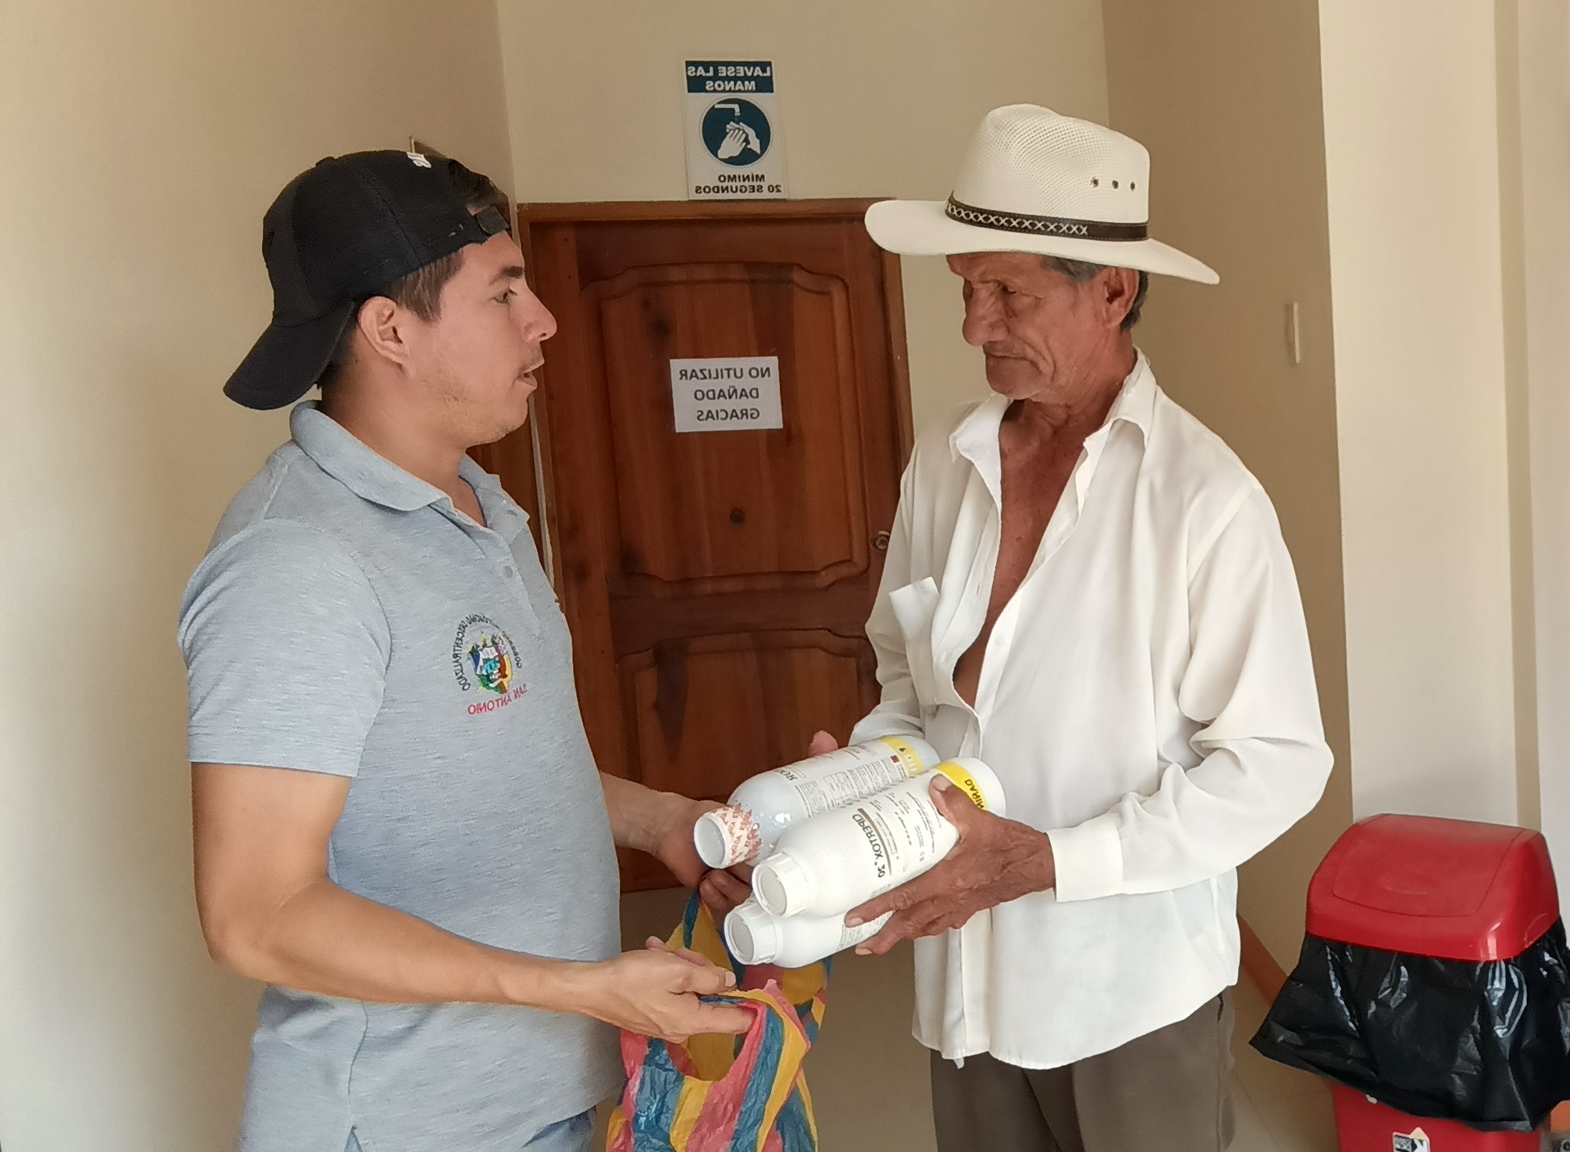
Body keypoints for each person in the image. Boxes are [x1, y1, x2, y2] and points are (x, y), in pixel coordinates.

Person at [705, 104, 1332, 1152]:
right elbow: (907, 683)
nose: (974, 325)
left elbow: (1275, 763)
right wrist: (853, 784)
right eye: (966, 288)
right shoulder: (945, 462)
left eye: (1009, 294)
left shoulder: (1204, 500)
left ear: (1113, 291)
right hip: (965, 974)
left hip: (1128, 986)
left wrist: (1047, 863)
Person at [181, 151, 749, 1152]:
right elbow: (256, 914)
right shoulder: (298, 561)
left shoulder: (480, 506)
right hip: (404, 1123)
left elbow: (471, 766)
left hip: (534, 1098)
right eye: (504, 293)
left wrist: (660, 819)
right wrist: (578, 988)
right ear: (390, 330)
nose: (545, 321)